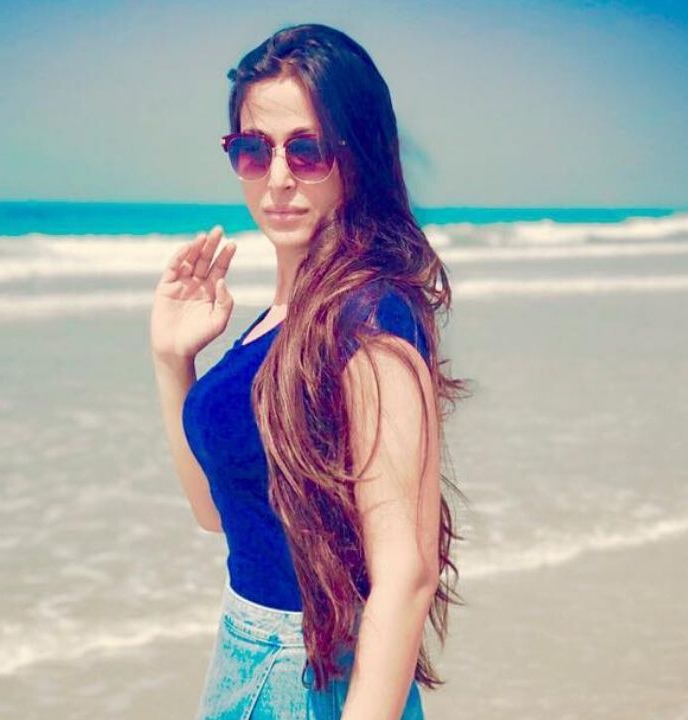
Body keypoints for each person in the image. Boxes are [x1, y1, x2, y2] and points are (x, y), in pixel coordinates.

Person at [149, 23, 469, 719]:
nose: (278, 178)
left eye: (307, 149)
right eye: (253, 150)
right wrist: (174, 361)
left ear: (359, 154)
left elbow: (406, 574)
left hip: (314, 678)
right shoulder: (281, 318)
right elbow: (216, 514)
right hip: (244, 655)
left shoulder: (368, 319)